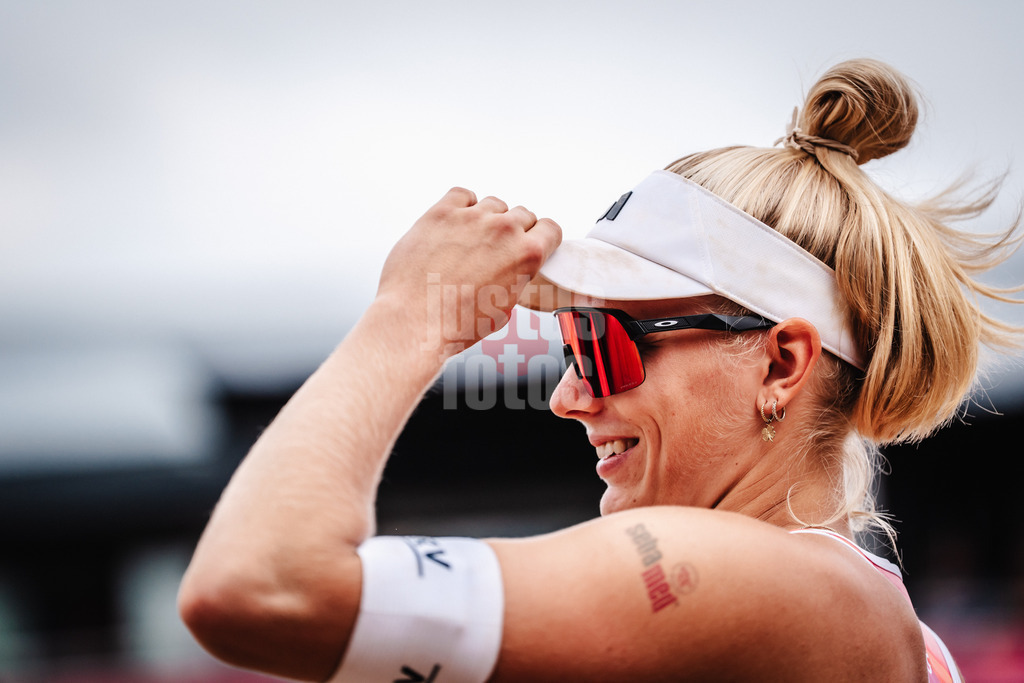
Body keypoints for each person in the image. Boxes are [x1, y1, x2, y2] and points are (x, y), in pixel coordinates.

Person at [178, 59, 1018, 681]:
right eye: (573, 341)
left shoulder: (778, 581)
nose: (568, 393)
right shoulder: (847, 602)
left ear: (783, 362)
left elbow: (261, 588)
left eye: (608, 342)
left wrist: (409, 317)